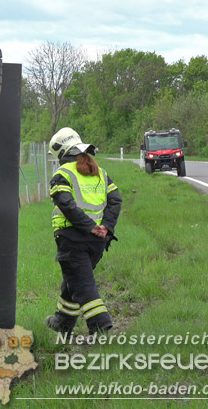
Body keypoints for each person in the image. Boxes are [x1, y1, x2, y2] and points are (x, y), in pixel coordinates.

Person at [46, 127, 122, 335]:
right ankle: (62, 321)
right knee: (74, 280)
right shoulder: (100, 173)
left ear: (61, 153)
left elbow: (66, 205)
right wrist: (105, 227)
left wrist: (90, 227)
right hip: (98, 242)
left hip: (73, 240)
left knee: (84, 287)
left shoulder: (63, 174)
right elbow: (115, 200)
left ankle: (101, 327)